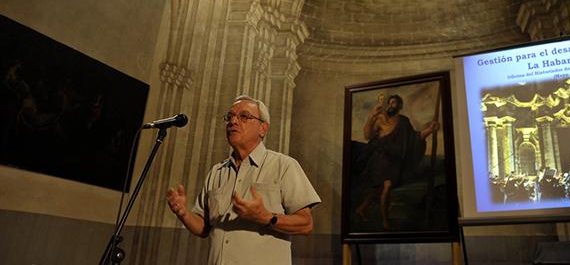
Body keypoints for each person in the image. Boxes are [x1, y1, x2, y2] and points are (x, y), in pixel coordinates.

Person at [166, 95, 320, 265]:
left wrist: (266, 217)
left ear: (263, 128)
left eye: (244, 116)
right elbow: (204, 228)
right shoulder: (217, 172)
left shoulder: (284, 166)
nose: (233, 121)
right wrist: (184, 213)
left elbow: (305, 224)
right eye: (230, 117)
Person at [354, 94, 439, 230]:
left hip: (394, 163)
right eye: (389, 103)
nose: (390, 105)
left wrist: (430, 129)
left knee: (379, 189)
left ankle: (361, 209)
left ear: (400, 106)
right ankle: (385, 221)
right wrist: (371, 117)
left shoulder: (403, 122)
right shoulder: (380, 120)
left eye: (394, 103)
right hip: (379, 161)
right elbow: (367, 135)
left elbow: (415, 138)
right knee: (386, 187)